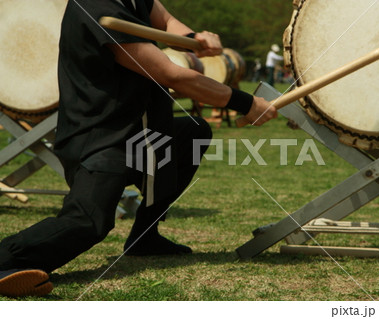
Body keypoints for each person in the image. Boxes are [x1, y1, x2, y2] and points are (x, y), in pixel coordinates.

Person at [0, 0, 277, 298]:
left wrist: (194, 38)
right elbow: (170, 75)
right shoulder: (96, 5)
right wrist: (246, 103)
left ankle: (145, 237)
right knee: (88, 222)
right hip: (101, 139)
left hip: (141, 132)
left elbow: (166, 19)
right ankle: (7, 258)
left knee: (193, 134)